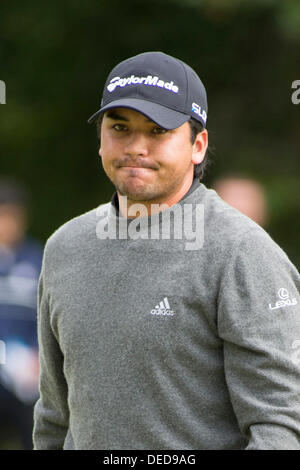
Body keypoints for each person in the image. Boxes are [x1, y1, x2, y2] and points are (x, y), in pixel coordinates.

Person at [33, 51, 300, 450]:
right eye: (120, 127)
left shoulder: (241, 252)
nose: (136, 147)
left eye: (158, 131)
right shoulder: (64, 247)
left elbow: (281, 422)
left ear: (198, 145)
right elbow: (54, 416)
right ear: (101, 138)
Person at [0, 178, 43, 449]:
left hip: (28, 374)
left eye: (12, 217)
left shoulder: (37, 258)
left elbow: (47, 315)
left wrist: (37, 354)